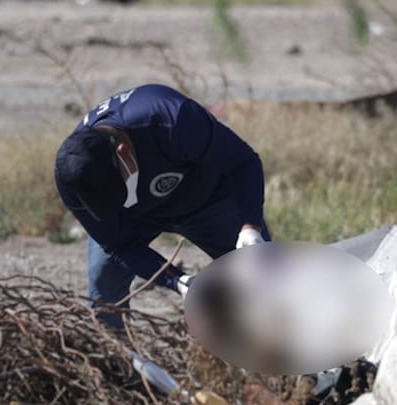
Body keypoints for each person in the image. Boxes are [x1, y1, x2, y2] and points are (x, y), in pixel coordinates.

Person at [54, 83, 269, 327]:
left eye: (118, 191)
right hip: (137, 218)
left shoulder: (170, 119)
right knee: (104, 290)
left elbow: (243, 163)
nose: (119, 199)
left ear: (123, 152)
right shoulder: (71, 177)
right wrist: (178, 282)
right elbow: (119, 246)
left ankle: (290, 357)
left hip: (208, 200)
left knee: (264, 281)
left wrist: (250, 227)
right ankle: (116, 358)